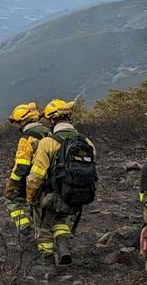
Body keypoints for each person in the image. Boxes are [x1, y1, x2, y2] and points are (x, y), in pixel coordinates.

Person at [26, 99, 97, 269]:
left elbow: (36, 175)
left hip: (50, 197)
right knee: (60, 220)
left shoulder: (47, 143)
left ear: (51, 120)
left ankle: (47, 261)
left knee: (43, 227)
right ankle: (63, 248)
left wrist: (30, 195)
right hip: (74, 196)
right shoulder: (86, 142)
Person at [4, 102, 49, 237]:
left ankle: (25, 228)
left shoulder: (27, 139)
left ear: (23, 121)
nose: (18, 126)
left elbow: (22, 166)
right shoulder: (50, 134)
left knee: (11, 200)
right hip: (52, 180)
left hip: (33, 180)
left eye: (18, 123)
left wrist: (12, 184)